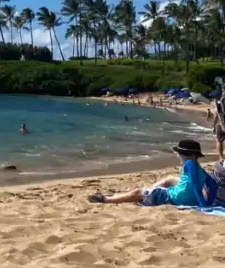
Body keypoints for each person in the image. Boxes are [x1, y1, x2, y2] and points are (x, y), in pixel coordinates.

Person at [88, 138, 216, 207]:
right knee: (169, 180)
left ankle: (107, 200)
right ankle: (150, 191)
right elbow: (213, 186)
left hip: (175, 198)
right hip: (189, 199)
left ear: (182, 154)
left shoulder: (189, 164)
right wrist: (208, 201)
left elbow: (195, 186)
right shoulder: (200, 169)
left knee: (138, 192)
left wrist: (203, 205)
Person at [213, 80, 225, 160]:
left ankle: (221, 157)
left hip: (222, 123)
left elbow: (217, 113)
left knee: (219, 140)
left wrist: (214, 125)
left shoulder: (219, 100)